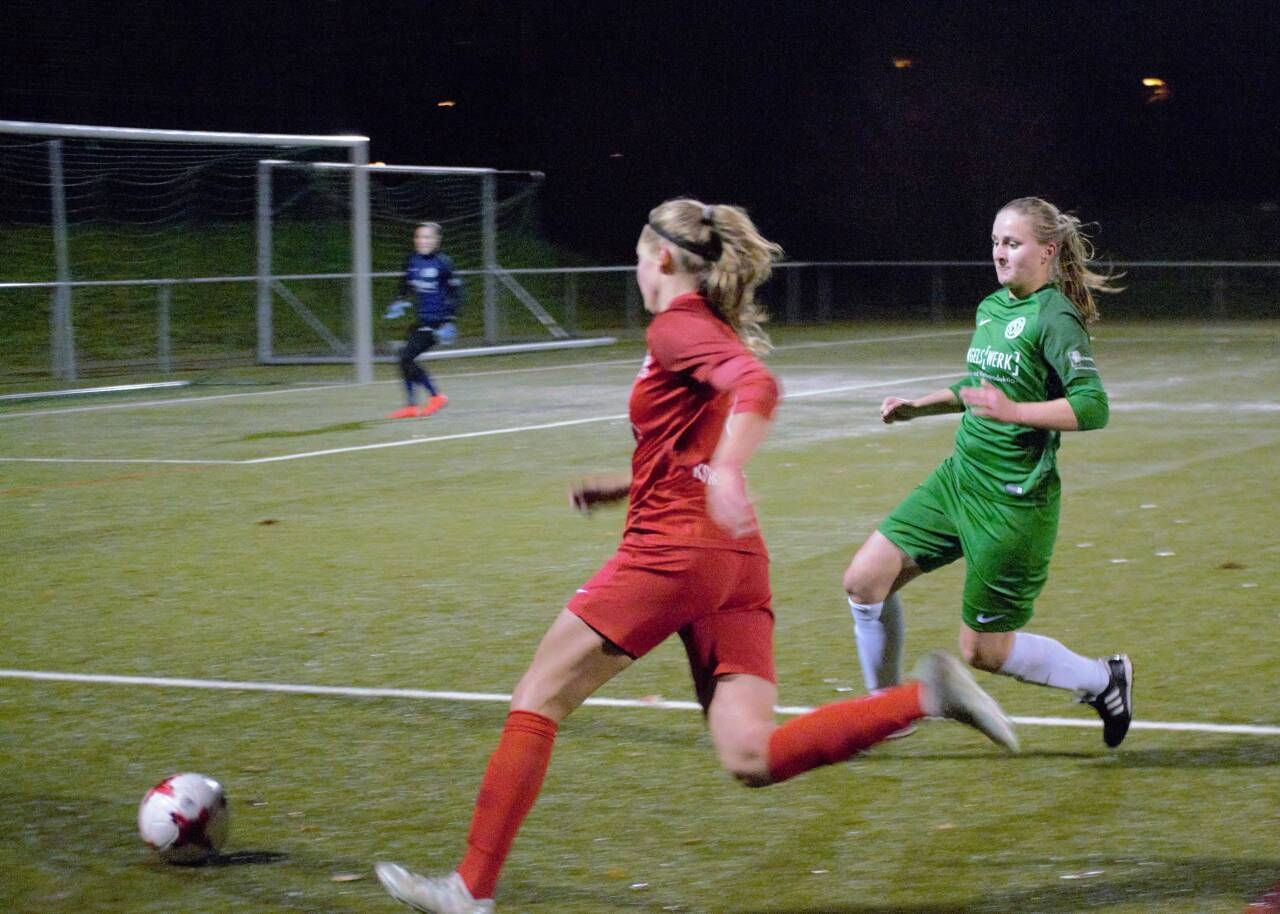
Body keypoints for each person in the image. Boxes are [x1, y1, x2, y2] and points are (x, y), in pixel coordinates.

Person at [374, 199, 1018, 914]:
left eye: (638, 254)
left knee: (538, 698)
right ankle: (925, 697)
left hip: (673, 553)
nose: (635, 268)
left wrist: (731, 470)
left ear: (662, 257)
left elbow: (757, 386)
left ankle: (470, 889)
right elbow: (691, 440)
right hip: (734, 561)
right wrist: (630, 484)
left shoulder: (677, 324)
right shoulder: (701, 328)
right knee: (751, 754)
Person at [841, 196, 1133, 749]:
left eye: (1013, 243)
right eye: (996, 242)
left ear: (1047, 252)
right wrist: (918, 407)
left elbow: (1093, 407)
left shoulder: (1054, 317)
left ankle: (1103, 679)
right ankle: (886, 712)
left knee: (983, 651)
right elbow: (979, 387)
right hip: (959, 481)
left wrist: (1016, 411)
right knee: (863, 581)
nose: (999, 253)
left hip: (1012, 502)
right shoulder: (993, 307)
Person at [386, 222, 462, 419]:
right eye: (419, 237)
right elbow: (405, 283)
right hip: (422, 319)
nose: (423, 241)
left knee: (406, 357)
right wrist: (399, 300)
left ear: (437, 240)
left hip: (437, 323)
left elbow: (457, 294)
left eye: (428, 237)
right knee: (404, 358)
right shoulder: (412, 260)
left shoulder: (443, 263)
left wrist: (450, 320)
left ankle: (436, 396)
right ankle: (412, 405)